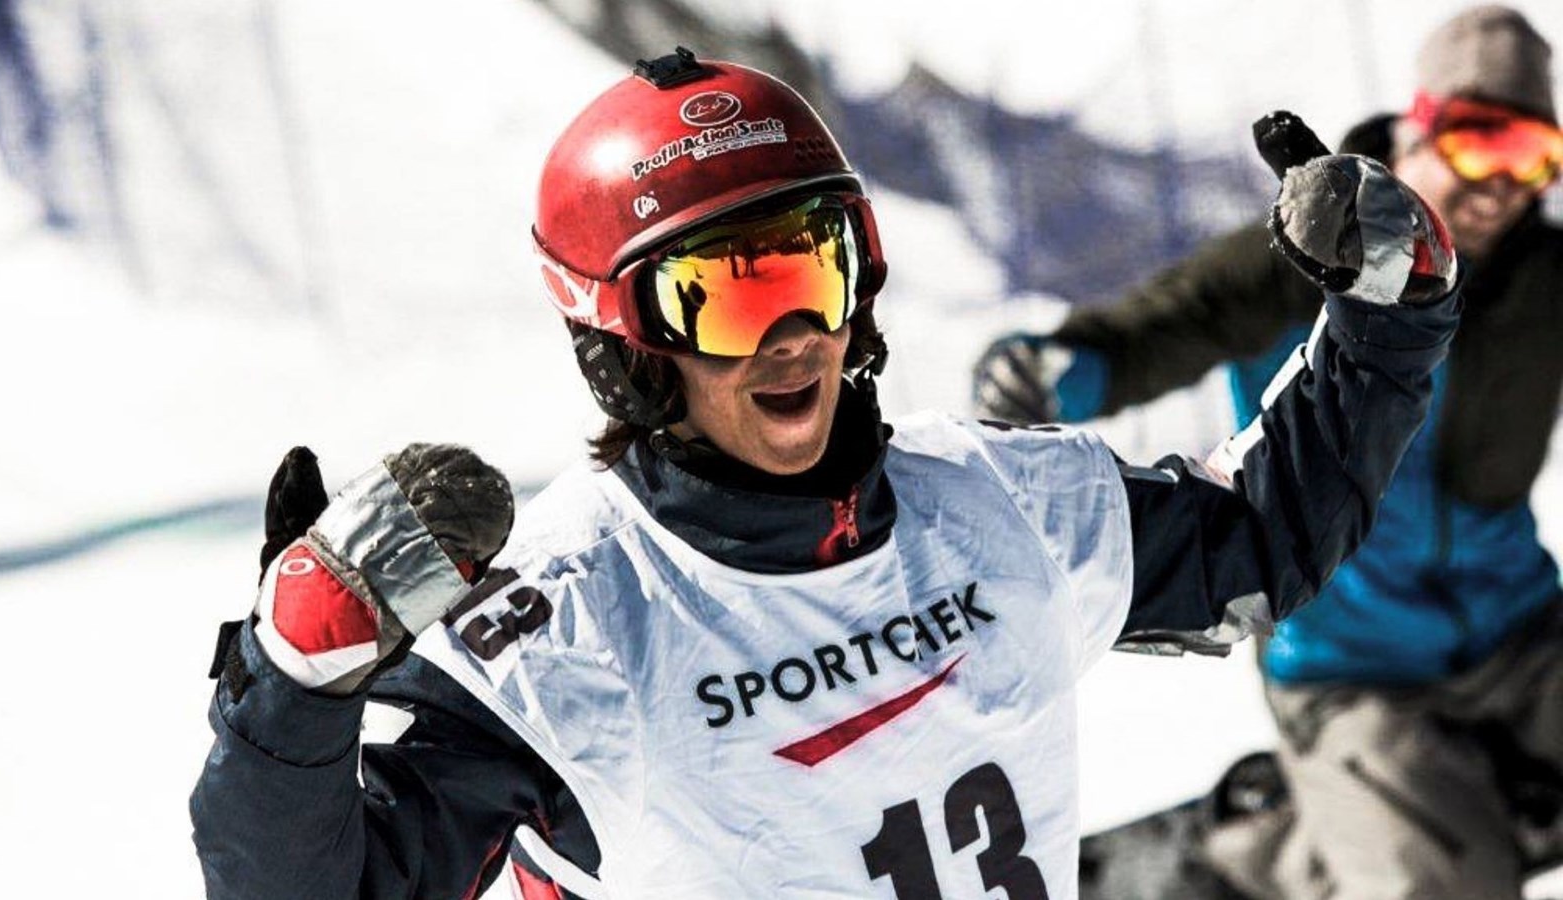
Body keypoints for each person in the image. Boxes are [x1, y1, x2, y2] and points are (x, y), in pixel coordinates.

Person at [191, 46, 1461, 900]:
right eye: (730, 296)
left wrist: (1388, 315)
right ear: (625, 347)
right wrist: (292, 692)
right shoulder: (570, 630)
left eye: (813, 269)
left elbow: (1266, 533)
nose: (796, 332)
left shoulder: (998, 506)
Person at [974, 6, 1563, 899]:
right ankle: (1252, 854)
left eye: (1536, 157)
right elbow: (1157, 328)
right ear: (1420, 124)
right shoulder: (1317, 244)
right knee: (1444, 885)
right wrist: (1051, 373)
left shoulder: (1541, 279)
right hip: (1355, 669)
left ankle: (1352, 825)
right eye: (1482, 143)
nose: (1504, 185)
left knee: (1451, 831)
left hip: (1523, 632)